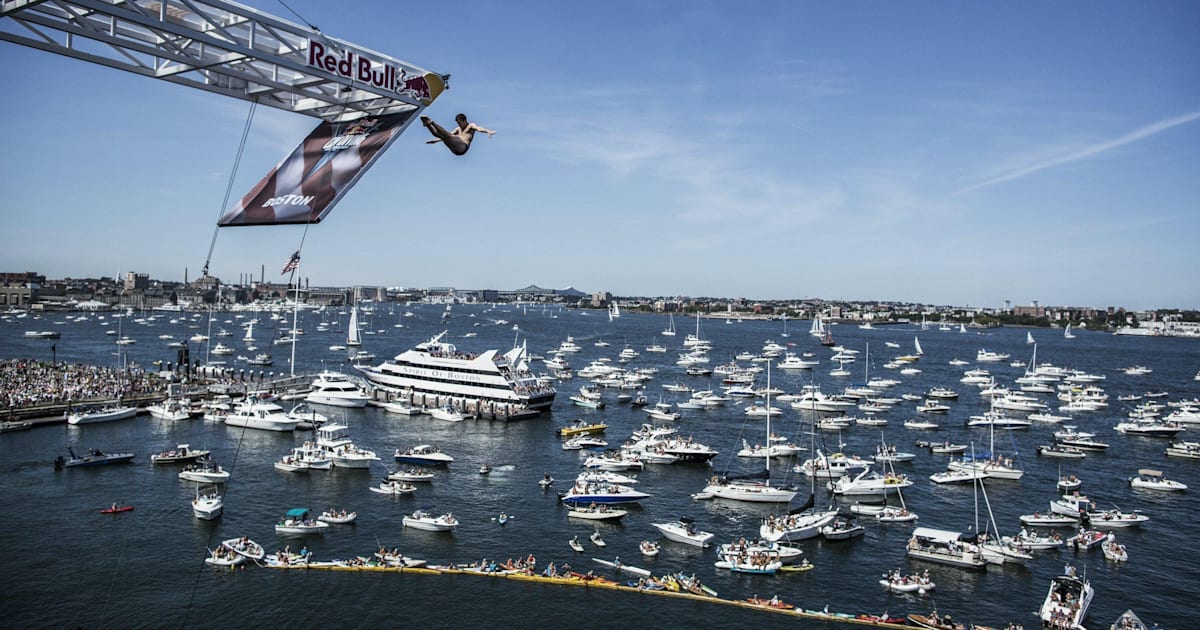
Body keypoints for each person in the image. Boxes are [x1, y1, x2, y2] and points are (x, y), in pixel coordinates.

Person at [421, 113, 494, 155]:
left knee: (447, 136)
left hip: (463, 147)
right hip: (455, 150)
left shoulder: (471, 125)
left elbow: (479, 128)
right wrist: (435, 141)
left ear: (465, 120)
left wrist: (488, 131)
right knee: (441, 136)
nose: (459, 125)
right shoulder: (458, 129)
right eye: (457, 123)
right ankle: (427, 124)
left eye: (460, 123)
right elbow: (447, 134)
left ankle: (431, 122)